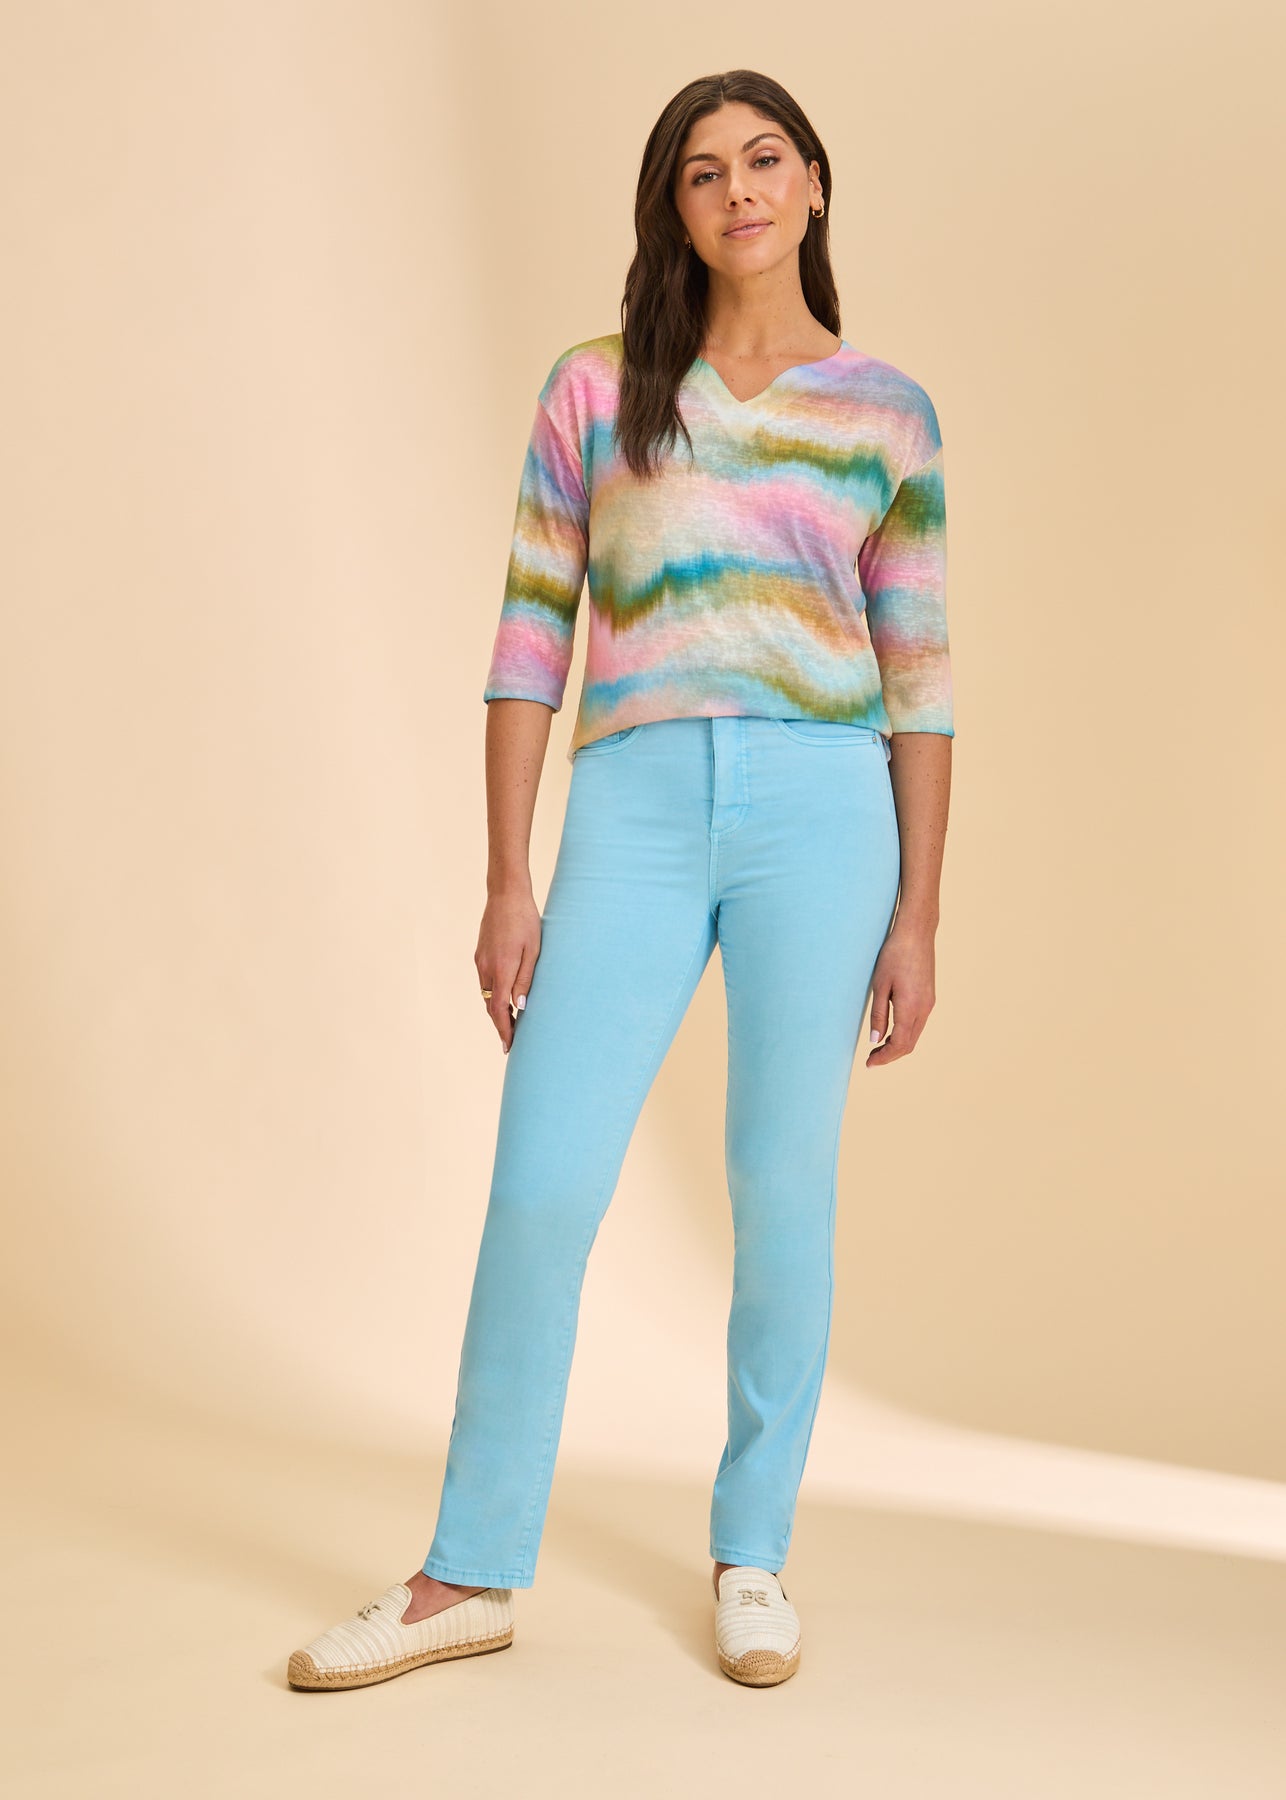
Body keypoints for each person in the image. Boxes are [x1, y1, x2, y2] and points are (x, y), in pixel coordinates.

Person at [287, 66, 953, 1694]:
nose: (739, 191)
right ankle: (468, 1572)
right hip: (635, 807)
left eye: (764, 160)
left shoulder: (886, 413)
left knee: (780, 1189)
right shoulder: (597, 390)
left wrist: (919, 914)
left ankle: (752, 1554)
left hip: (823, 811)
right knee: (543, 1183)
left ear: (811, 183)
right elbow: (531, 636)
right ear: (673, 206)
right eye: (702, 171)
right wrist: (506, 879)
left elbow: (920, 677)